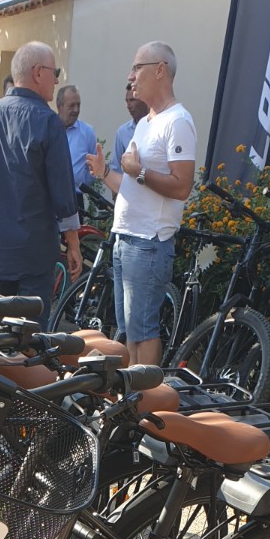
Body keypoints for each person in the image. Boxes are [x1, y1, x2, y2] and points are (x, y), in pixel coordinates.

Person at [87, 42, 195, 362]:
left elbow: (182, 187)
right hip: (127, 238)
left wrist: (140, 172)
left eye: (137, 67)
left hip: (148, 241)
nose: (130, 76)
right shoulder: (146, 122)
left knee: (143, 331)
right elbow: (131, 183)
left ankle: (145, 403)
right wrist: (105, 172)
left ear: (160, 70)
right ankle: (133, 401)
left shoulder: (178, 121)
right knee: (129, 331)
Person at [0, 41, 81, 328]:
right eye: (55, 72)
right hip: (33, 249)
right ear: (38, 72)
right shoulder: (48, 121)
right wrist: (74, 243)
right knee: (28, 334)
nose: (56, 81)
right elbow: (63, 192)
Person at [57, 84, 97, 191]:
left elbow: (93, 167)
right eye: (72, 105)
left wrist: (82, 184)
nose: (76, 110)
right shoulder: (48, 129)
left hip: (75, 198)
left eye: (78, 105)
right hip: (50, 198)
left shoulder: (87, 132)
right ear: (59, 106)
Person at [110, 81, 148, 175]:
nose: (128, 106)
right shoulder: (122, 132)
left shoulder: (159, 127)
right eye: (127, 101)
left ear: (144, 100)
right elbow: (115, 168)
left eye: (132, 100)